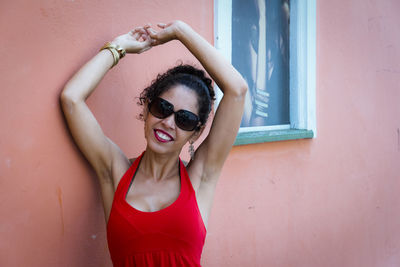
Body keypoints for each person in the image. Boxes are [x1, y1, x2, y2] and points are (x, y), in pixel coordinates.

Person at [60, 20, 247, 266]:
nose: (169, 123)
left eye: (185, 119)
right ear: (147, 109)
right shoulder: (114, 172)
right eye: (162, 108)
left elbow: (237, 90)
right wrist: (119, 47)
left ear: (195, 133)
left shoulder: (200, 177)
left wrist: (180, 31)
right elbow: (71, 98)